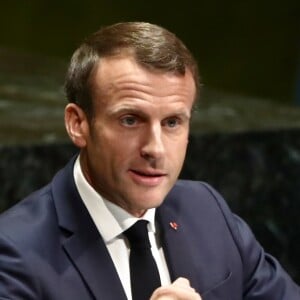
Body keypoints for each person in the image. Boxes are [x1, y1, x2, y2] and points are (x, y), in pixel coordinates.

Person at [0, 22, 299, 300]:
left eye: (172, 122)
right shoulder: (13, 253)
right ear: (78, 124)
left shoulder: (208, 211)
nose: (155, 148)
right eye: (130, 120)